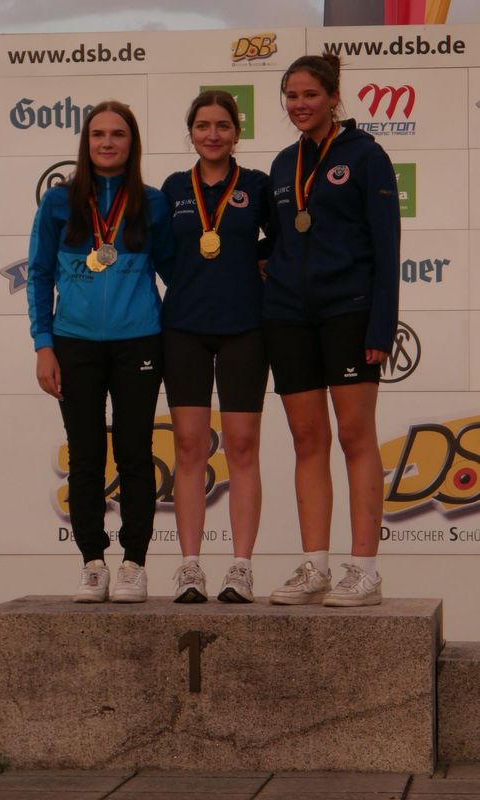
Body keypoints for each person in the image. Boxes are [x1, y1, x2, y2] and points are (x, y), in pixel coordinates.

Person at [263, 54, 400, 606]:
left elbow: (387, 246)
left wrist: (382, 326)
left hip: (350, 311)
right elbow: (278, 237)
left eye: (310, 95)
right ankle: (315, 566)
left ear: (334, 97)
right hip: (288, 316)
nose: (300, 105)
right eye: (292, 96)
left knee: (354, 436)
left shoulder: (366, 155)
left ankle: (364, 569)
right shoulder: (282, 164)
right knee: (307, 440)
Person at [27, 100, 174, 603]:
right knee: (86, 456)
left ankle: (134, 563)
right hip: (74, 343)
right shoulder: (59, 202)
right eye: (98, 134)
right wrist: (44, 345)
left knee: (135, 453)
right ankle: (93, 562)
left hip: (140, 341)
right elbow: (39, 275)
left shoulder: (152, 203)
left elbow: (176, 271)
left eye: (118, 134)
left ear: (132, 143)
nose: (107, 142)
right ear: (85, 143)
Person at [161, 90, 270, 603]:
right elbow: (163, 252)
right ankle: (190, 567)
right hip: (183, 327)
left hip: (246, 327)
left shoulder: (257, 185)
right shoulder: (173, 188)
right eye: (203, 125)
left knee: (242, 446)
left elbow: (283, 241)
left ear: (236, 132)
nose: (212, 134)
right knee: (190, 447)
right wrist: (190, 281)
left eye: (222, 125)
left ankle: (241, 567)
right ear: (191, 132)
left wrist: (257, 264)